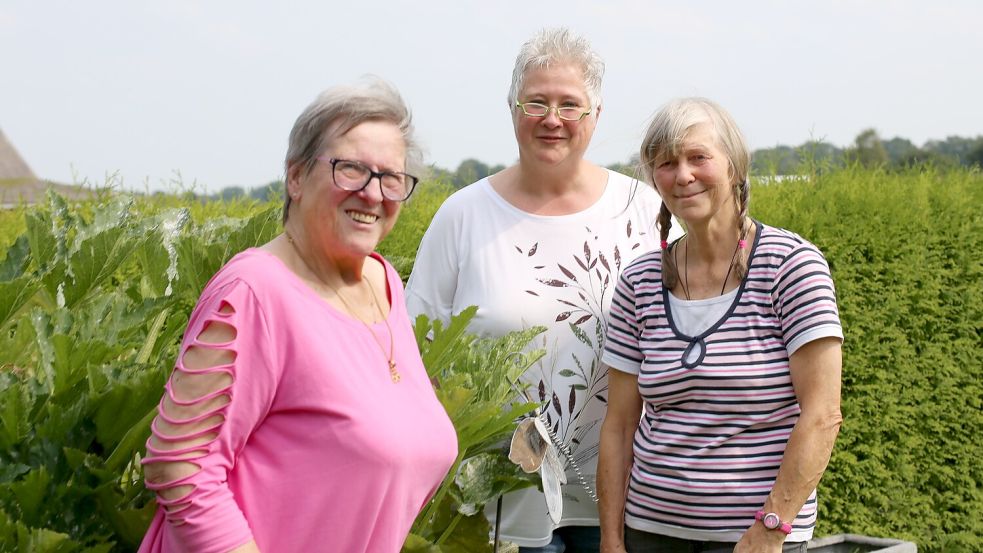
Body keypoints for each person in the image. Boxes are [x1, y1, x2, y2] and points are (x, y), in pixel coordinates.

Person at [138, 78, 458, 553]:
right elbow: (181, 465)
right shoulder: (252, 293)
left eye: (391, 178)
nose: (373, 194)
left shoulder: (383, 281)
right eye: (350, 169)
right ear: (295, 177)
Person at [406, 28, 676, 552]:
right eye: (536, 102)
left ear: (595, 113)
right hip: (501, 504)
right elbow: (419, 355)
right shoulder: (463, 216)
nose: (553, 119)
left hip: (627, 499)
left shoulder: (645, 211)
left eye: (569, 105)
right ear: (512, 109)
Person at [596, 97, 844, 553]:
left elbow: (823, 416)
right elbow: (619, 424)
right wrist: (611, 538)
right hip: (650, 533)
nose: (683, 175)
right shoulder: (639, 281)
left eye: (698, 157)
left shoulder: (792, 267)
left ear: (734, 166)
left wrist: (771, 527)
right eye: (666, 163)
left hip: (757, 539)